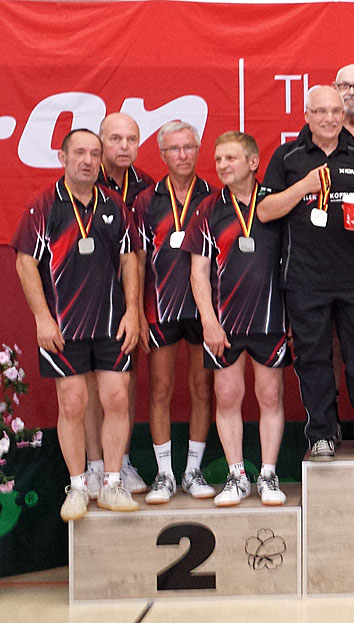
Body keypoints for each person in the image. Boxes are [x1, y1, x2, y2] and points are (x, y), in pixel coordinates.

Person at [258, 86, 354, 461]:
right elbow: (265, 210)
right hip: (305, 277)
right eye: (320, 112)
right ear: (307, 115)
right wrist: (303, 186)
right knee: (314, 359)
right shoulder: (288, 155)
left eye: (335, 111)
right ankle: (321, 434)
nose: (329, 118)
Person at [12, 128, 141, 521]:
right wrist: (42, 317)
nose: (87, 160)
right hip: (63, 326)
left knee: (116, 399)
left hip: (111, 324)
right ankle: (78, 486)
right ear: (63, 158)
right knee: (72, 403)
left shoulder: (114, 206)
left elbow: (130, 260)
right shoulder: (44, 206)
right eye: (79, 153)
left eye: (94, 154)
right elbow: (25, 263)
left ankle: (113, 483)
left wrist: (133, 311)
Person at [183, 131, 289, 507]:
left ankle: (268, 475)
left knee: (270, 395)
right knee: (227, 396)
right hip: (225, 323)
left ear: (253, 162)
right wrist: (209, 322)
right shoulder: (208, 209)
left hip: (270, 319)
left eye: (231, 158)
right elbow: (198, 272)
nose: (223, 165)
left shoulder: (275, 204)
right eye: (218, 159)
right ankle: (237, 476)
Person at [132, 121, 216, 504]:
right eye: (174, 149)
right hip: (160, 307)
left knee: (202, 389)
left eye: (188, 148)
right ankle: (164, 474)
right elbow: (135, 260)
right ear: (162, 154)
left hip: (202, 310)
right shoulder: (146, 201)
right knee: (161, 389)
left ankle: (192, 471)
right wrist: (137, 310)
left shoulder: (213, 198)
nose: (182, 155)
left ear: (198, 150)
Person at [83, 112, 155, 497]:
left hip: (129, 297)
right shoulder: (83, 182)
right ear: (101, 141)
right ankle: (94, 467)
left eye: (131, 139)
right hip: (86, 296)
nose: (124, 146)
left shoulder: (146, 188)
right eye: (115, 139)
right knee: (90, 383)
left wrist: (137, 308)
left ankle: (121, 462)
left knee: (124, 382)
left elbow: (142, 253)